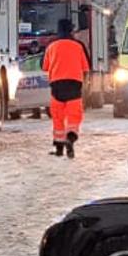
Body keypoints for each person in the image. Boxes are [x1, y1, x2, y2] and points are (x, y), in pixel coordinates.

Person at [43, 18, 91, 158]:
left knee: (58, 116)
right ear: (71, 30)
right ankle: (70, 138)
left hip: (57, 84)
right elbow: (85, 67)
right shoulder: (78, 45)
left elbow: (44, 66)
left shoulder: (51, 46)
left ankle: (59, 148)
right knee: (74, 115)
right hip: (74, 84)